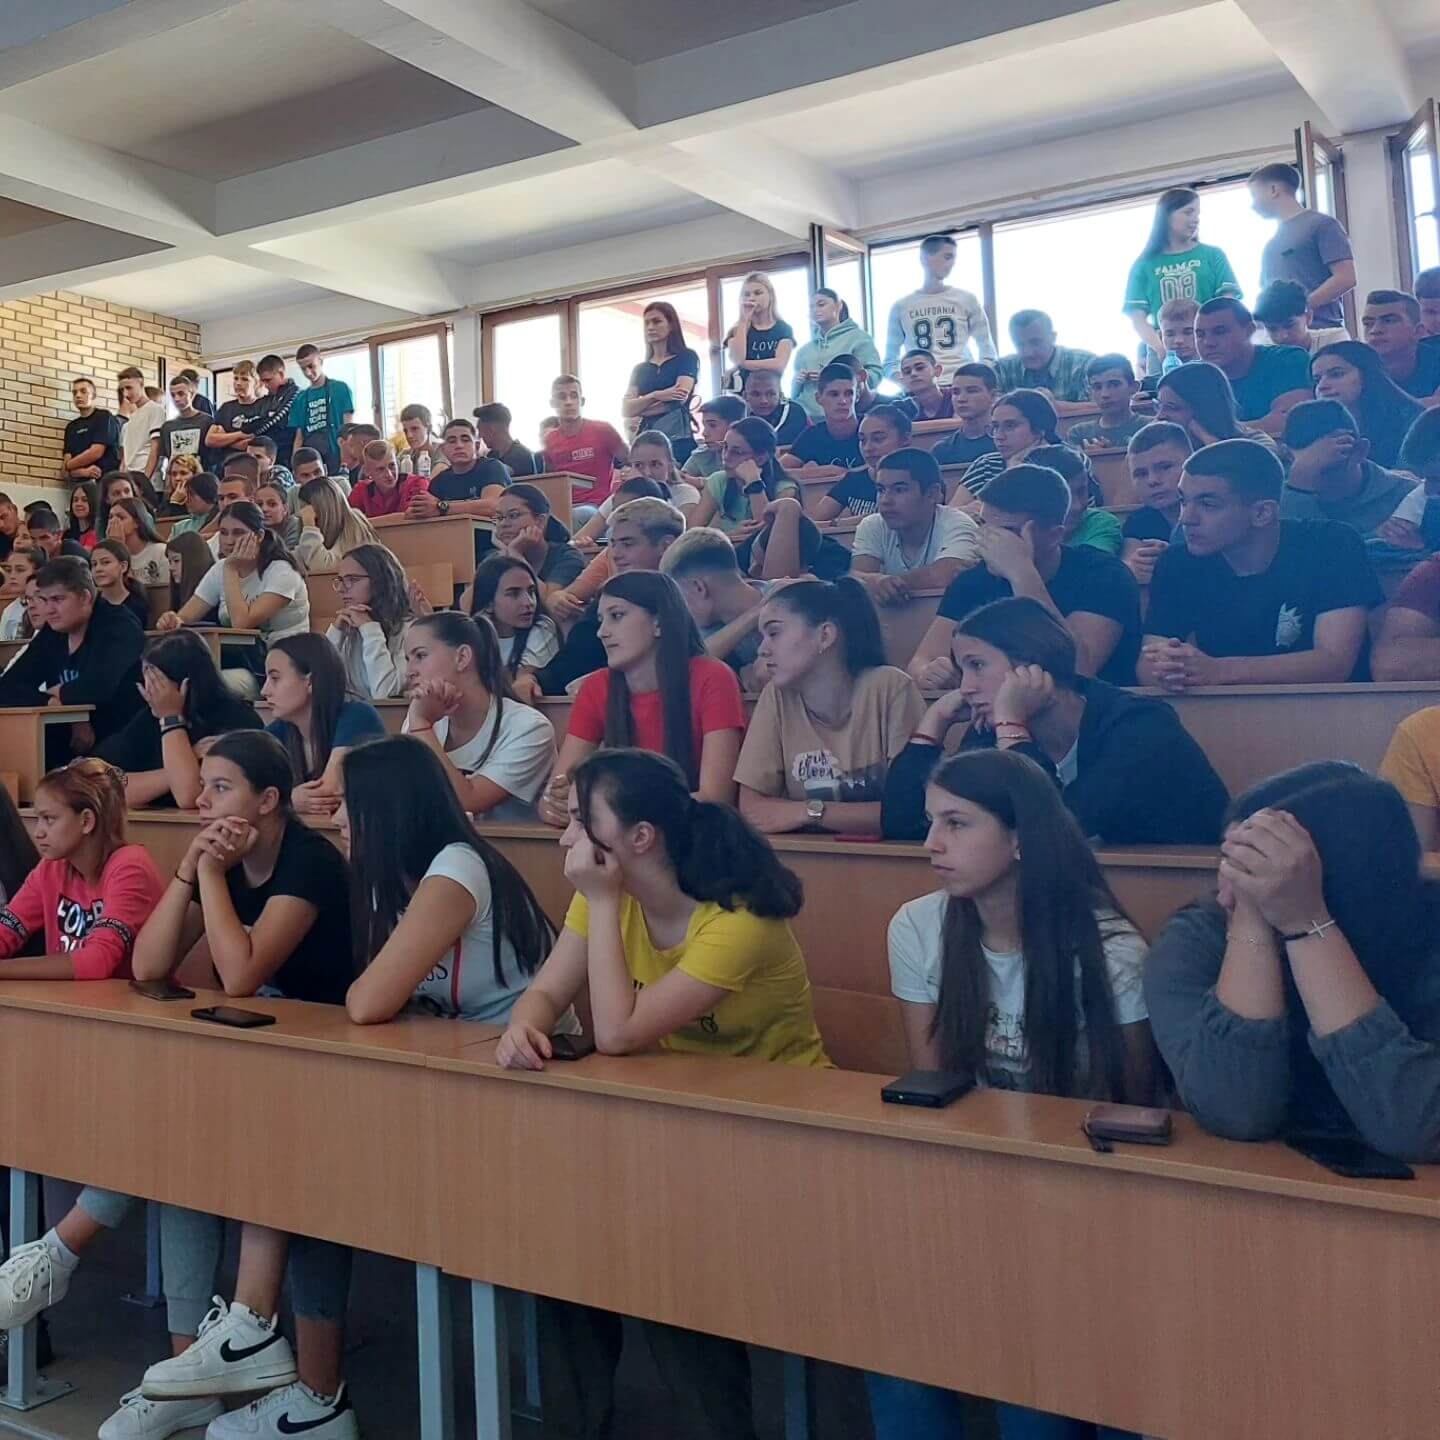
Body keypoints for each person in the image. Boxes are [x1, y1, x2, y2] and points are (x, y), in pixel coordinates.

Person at [499, 746, 827, 1438]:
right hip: (673, 1123)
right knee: (567, 1261)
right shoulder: (606, 900)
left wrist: (602, 899)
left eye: (581, 821)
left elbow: (618, 1034)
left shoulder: (738, 918)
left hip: (779, 1132)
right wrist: (524, 1027)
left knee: (670, 1274)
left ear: (639, 838)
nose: (564, 838)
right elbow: (548, 991)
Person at [871, 746, 1151, 1440]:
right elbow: (937, 1091)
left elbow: (1130, 1111)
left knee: (1032, 1388)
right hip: (972, 1185)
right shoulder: (918, 926)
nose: (931, 843)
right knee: (894, 1351)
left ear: (1021, 837)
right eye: (930, 821)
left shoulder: (1112, 950)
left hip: (1087, 1200)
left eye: (956, 823)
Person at [122, 729, 359, 1438]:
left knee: (259, 1162)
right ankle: (193, 1365)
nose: (201, 801)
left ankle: (261, 1350)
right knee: (179, 1158)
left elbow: (242, 974)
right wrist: (188, 872)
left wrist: (212, 878)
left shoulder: (309, 863)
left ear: (268, 800)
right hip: (263, 1065)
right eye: (203, 787)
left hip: (336, 1069)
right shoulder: (224, 863)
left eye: (220, 788)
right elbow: (152, 969)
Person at [1146, 762, 1440, 1162]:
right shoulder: (1195, 941)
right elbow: (1235, 1111)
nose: (1225, 891)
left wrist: (1307, 924)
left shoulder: (1425, 935)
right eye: (1233, 862)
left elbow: (1416, 1125)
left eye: (1257, 867)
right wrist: (1252, 919)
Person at [882, 597, 1227, 844]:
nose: (966, 687)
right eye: (962, 669)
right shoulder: (992, 733)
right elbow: (905, 825)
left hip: (1178, 892)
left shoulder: (1140, 726)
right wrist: (934, 725)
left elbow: (1054, 831)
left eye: (977, 665)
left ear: (1032, 664)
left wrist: (1012, 727)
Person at [1139, 439, 1382, 689]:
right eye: (1183, 501)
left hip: (1333, 708)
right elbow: (1147, 666)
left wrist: (1219, 670)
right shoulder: (1177, 563)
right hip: (1226, 710)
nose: (1186, 518)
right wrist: (1168, 669)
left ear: (1262, 513)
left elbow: (1334, 662)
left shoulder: (1332, 544)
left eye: (1208, 504)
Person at [539, 571, 745, 825]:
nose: (601, 632)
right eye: (601, 620)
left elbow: (715, 799)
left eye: (616, 616)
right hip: (621, 836)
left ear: (659, 623)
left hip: (696, 834)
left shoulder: (713, 677)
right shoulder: (596, 687)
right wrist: (558, 802)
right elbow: (552, 798)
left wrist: (612, 809)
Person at [910, 466, 1142, 688]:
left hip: (1090, 710)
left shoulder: (1104, 574)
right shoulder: (972, 581)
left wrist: (1022, 574)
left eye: (1007, 532)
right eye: (984, 526)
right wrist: (928, 672)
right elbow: (920, 661)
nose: (989, 541)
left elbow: (1079, 669)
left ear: (1054, 536)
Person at [736, 577, 923, 836]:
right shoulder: (776, 696)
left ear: (825, 636)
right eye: (762, 637)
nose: (762, 650)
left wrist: (808, 812)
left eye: (774, 633)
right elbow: (753, 808)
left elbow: (910, 810)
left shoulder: (891, 688)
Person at [0, 757, 163, 979]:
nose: (38, 832)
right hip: (70, 996)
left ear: (86, 821)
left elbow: (98, 961)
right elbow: (7, 931)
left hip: (127, 998)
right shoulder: (51, 867)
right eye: (38, 819)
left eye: (49, 819)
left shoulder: (131, 867)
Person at [403, 611, 556, 820]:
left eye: (420, 656)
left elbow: (469, 801)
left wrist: (421, 726)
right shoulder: (422, 714)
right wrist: (420, 723)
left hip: (506, 842)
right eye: (407, 659)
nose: (409, 671)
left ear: (462, 658)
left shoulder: (530, 727)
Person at [94, 629, 262, 810]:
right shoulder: (148, 718)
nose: (147, 689)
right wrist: (185, 762)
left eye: (155, 680)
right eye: (145, 677)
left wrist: (171, 720)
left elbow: (190, 797)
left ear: (184, 682)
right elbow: (106, 787)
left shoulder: (237, 720)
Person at [538, 497, 687, 694]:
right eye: (613, 544)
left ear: (666, 546)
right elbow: (572, 662)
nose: (615, 554)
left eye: (628, 544)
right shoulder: (609, 598)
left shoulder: (692, 596)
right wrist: (533, 679)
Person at [0, 557, 144, 746]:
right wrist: (52, 702)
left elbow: (99, 687)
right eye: (44, 600)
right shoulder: (53, 631)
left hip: (123, 739)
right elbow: (8, 687)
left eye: (57, 599)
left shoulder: (120, 626)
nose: (49, 610)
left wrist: (63, 696)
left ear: (85, 597)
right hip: (66, 740)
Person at [260, 633, 384, 816]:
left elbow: (328, 794)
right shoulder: (277, 731)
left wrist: (283, 801)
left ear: (310, 682)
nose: (264, 691)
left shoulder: (358, 716)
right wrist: (289, 800)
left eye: (275, 678)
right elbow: (244, 793)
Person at [157, 501, 309, 644]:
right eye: (223, 533)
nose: (229, 541)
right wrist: (172, 620)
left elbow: (242, 625)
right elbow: (186, 617)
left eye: (238, 533)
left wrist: (231, 569)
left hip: (288, 652)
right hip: (242, 654)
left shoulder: (282, 571)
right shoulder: (220, 568)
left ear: (259, 536)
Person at [1124, 187, 1242, 370]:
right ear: (1167, 215)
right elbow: (1137, 318)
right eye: (1188, 212)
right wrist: (1161, 349)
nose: (1195, 219)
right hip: (1164, 354)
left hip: (1210, 347)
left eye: (1197, 214)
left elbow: (1228, 302)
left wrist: (1214, 339)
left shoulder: (1212, 255)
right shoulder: (1143, 265)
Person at [1279, 400, 1418, 547]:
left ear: (1360, 451)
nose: (1314, 480)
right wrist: (1298, 490)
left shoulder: (1406, 495)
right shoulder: (1273, 501)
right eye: (1303, 469)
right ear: (1288, 457)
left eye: (1328, 470)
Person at [850, 447, 980, 603]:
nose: (885, 500)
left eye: (899, 490)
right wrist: (872, 581)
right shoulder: (872, 525)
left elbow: (944, 575)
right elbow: (858, 576)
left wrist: (881, 583)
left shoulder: (959, 523)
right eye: (881, 490)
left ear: (932, 493)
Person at [660, 526, 773, 686]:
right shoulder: (707, 628)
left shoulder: (788, 595)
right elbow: (683, 668)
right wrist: (754, 615)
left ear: (699, 587)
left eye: (678, 599)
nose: (680, 611)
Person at [1248, 161, 1356, 328]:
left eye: (1254, 195)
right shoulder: (1271, 245)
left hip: (1320, 330)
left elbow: (1346, 278)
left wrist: (1298, 309)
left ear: (1273, 190)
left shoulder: (1321, 224)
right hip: (1282, 335)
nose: (1253, 205)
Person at [884, 234, 996, 379]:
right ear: (925, 258)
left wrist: (978, 379)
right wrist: (903, 380)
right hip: (921, 385)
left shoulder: (966, 299)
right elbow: (890, 360)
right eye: (947, 257)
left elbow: (987, 349)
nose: (952, 263)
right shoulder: (901, 307)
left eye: (953, 258)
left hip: (961, 382)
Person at [1194, 298, 1312, 434]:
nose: (1208, 342)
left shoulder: (1287, 359)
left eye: (1220, 332)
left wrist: (1210, 434)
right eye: (1200, 335)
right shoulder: (1190, 377)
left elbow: (1290, 421)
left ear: (1249, 330)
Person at [1309, 339, 1424, 470]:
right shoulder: (1319, 431)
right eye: (1317, 380)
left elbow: (1411, 479)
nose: (1322, 386)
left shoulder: (1414, 421)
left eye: (1336, 374)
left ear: (1367, 375)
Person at [689, 416, 800, 541]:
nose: (726, 457)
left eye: (737, 452)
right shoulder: (719, 480)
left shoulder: (785, 489)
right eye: (725, 447)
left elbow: (770, 536)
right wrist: (731, 537)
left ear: (761, 458)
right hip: (726, 551)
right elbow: (690, 536)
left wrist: (753, 482)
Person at [467, 552, 560, 703]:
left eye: (531, 591)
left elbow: (519, 682)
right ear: (489, 603)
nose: (528, 602)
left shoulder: (544, 628)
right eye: (514, 594)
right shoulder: (476, 633)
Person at [325, 543, 412, 700]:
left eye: (352, 579)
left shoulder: (410, 630)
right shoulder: (348, 628)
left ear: (380, 580)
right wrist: (336, 634)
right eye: (340, 580)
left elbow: (384, 694)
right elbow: (316, 688)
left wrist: (370, 630)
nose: (342, 588)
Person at [623, 302, 700, 462]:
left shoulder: (686, 357)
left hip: (678, 439)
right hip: (647, 439)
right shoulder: (640, 369)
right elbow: (626, 409)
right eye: (647, 323)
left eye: (657, 321)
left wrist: (640, 408)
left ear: (671, 325)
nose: (650, 327)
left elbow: (679, 398)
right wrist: (657, 395)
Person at [950, 389, 1060, 501]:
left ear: (1039, 429)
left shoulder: (1064, 464)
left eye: (1010, 426)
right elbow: (953, 511)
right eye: (995, 426)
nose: (999, 436)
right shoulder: (987, 465)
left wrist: (1014, 475)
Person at [792, 287, 882, 419]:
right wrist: (798, 381)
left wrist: (835, 377)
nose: (815, 310)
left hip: (848, 418)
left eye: (821, 304)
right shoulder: (804, 350)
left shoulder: (859, 338)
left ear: (838, 305)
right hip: (808, 421)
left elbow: (875, 375)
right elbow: (794, 394)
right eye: (811, 307)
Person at [407, 418, 511, 531]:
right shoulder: (439, 481)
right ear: (443, 449)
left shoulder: (492, 467)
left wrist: (442, 507)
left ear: (476, 446)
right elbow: (424, 510)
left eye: (465, 440)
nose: (459, 445)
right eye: (452, 441)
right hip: (451, 538)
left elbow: (495, 506)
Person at [814, 403, 912, 522]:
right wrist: (845, 523)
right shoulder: (853, 480)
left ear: (905, 439)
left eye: (878, 439)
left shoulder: (921, 477)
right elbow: (814, 523)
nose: (867, 448)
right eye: (862, 440)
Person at [1121, 422, 1190, 586]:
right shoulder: (1140, 520)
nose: (1152, 480)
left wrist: (1173, 557)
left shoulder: (1215, 513)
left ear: (1189, 464)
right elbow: (1128, 563)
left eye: (1165, 467)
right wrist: (1134, 568)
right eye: (1140, 474)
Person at [545, 374, 630, 508]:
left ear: (582, 401)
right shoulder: (550, 440)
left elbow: (632, 460)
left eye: (574, 396)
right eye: (562, 397)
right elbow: (551, 482)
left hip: (598, 507)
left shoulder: (603, 430)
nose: (568, 402)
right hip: (564, 508)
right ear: (552, 403)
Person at [488, 482, 585, 597]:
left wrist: (515, 555)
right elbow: (471, 603)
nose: (503, 524)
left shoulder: (568, 556)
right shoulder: (498, 557)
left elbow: (548, 600)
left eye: (513, 515)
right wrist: (507, 553)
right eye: (499, 517)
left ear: (540, 521)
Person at [991, 310, 1095, 410]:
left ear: (1053, 337)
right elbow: (989, 408)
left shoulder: (1084, 364)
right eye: (1020, 345)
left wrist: (1054, 405)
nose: (1028, 352)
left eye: (1035, 343)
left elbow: (1099, 407)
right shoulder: (1001, 369)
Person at [1155, 361, 1272, 448]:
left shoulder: (1258, 444)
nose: (1160, 416)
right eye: (1159, 406)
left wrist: (1209, 441)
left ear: (1204, 410)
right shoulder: (1164, 445)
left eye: (1172, 407)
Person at [1033, 444, 1123, 557]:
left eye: (1081, 491)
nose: (1077, 506)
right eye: (1064, 495)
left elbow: (1092, 565)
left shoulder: (1101, 524)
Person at [781, 362, 862, 475]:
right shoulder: (813, 435)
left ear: (857, 396)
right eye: (834, 394)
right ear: (818, 398)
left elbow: (883, 465)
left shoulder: (871, 427)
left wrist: (840, 472)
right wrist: (814, 472)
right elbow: (776, 471)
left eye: (849, 394)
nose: (843, 401)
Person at [1360, 289, 1440, 402]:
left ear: (1418, 331)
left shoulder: (1436, 359)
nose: (1375, 330)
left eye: (1389, 321)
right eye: (1368, 323)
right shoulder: (1355, 370)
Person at [287, 344, 354, 473]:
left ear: (321, 362)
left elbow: (348, 428)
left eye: (311, 366)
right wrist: (295, 465)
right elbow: (299, 437)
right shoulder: (300, 398)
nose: (308, 372)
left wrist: (347, 459)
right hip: (311, 460)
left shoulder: (340, 389)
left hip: (337, 456)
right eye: (303, 369)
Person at [724, 271, 795, 390]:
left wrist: (744, 364)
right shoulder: (736, 330)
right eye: (746, 294)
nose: (751, 298)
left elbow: (779, 365)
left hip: (771, 392)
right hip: (743, 392)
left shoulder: (783, 329)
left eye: (758, 293)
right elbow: (737, 359)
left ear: (770, 296)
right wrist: (743, 320)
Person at [296, 475, 379, 571]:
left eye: (307, 510)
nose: (302, 514)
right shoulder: (330, 530)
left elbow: (321, 569)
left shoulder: (353, 524)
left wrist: (310, 527)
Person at [1067, 355, 1147, 448]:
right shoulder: (1079, 434)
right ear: (1089, 391)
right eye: (1097, 387)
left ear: (1134, 387)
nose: (1105, 394)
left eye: (1114, 385)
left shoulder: (1151, 427)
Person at [1252, 279, 1348, 356]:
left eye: (1289, 325)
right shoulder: (1264, 351)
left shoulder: (1333, 341)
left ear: (1308, 317)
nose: (1282, 336)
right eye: (1272, 329)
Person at [931, 363, 998, 469]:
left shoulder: (1007, 442)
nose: (961, 399)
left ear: (993, 396)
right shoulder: (942, 450)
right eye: (956, 392)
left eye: (972, 391)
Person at [346, 438, 428, 518]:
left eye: (392, 465)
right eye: (380, 469)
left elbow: (410, 517)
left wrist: (367, 522)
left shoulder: (417, 483)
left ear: (397, 463)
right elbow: (347, 519)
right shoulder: (362, 490)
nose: (389, 474)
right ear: (367, 471)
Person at [62, 375, 122, 483]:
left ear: (93, 395)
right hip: (80, 486)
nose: (78, 395)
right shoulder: (71, 427)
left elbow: (96, 452)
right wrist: (83, 472)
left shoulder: (104, 417)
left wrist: (68, 465)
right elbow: (65, 473)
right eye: (74, 393)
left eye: (83, 391)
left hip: (105, 483)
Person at [204, 361, 262, 471]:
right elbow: (210, 439)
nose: (238, 383)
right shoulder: (226, 408)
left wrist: (224, 438)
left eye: (244, 379)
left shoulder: (263, 407)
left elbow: (249, 444)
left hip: (252, 468)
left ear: (257, 383)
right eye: (236, 378)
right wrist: (240, 434)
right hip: (225, 468)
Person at [104, 495, 169, 586]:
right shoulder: (106, 556)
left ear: (137, 522)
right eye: (110, 517)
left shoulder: (161, 551)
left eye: (121, 518)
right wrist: (115, 549)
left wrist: (120, 549)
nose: (113, 522)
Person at [157, 372, 211, 475]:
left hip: (202, 479)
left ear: (192, 394)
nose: (176, 399)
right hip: (176, 479)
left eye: (181, 394)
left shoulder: (207, 421)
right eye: (173, 395)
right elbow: (166, 459)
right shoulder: (167, 427)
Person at [680, 395, 745, 482]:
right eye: (704, 426)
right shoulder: (703, 454)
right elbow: (680, 480)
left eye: (712, 425)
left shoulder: (750, 456)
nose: (704, 433)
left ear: (734, 426)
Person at [118, 366, 166, 480]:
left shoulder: (155, 409)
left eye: (129, 388)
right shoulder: (132, 418)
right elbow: (126, 457)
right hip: (131, 478)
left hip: (147, 479)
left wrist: (145, 481)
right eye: (122, 390)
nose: (125, 394)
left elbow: (155, 449)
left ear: (141, 383)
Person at [90, 538, 151, 627]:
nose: (98, 569)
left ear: (123, 567)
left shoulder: (137, 604)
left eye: (106, 562)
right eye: (94, 564)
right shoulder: (90, 604)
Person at [740, 367, 807, 445]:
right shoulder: (738, 413)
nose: (764, 401)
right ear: (745, 396)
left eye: (771, 394)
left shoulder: (794, 412)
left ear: (780, 395)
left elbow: (793, 447)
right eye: (756, 394)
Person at [472, 402, 537, 478]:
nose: (479, 436)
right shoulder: (492, 455)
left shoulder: (521, 455)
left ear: (491, 430)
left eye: (480, 430)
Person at [894, 348, 954, 421]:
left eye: (920, 368)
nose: (913, 374)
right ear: (903, 380)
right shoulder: (902, 409)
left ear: (937, 370)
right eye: (907, 372)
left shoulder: (955, 396)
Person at [165, 531, 215, 613]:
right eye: (170, 562)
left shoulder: (211, 593)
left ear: (193, 561)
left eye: (176, 561)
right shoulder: (179, 594)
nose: (171, 568)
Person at [395, 402, 447, 479]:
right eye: (405, 431)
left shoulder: (443, 450)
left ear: (429, 428)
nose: (409, 435)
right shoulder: (404, 455)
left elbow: (429, 483)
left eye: (414, 429)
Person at [0, 547, 40, 642]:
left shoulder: (48, 607)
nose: (12, 576)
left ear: (37, 572)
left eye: (20, 570)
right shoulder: (9, 610)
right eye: (9, 570)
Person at [167, 468, 220, 537]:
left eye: (192, 494)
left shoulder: (222, 524)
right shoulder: (178, 527)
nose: (187, 499)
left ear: (207, 493)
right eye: (187, 494)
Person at [257, 477, 302, 549]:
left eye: (272, 504)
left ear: (285, 509)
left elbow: (289, 554)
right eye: (259, 505)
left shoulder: (296, 525)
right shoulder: (251, 527)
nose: (264, 509)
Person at [66, 480, 100, 551]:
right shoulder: (67, 535)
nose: (79, 504)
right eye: (75, 500)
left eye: (84, 500)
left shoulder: (99, 534)